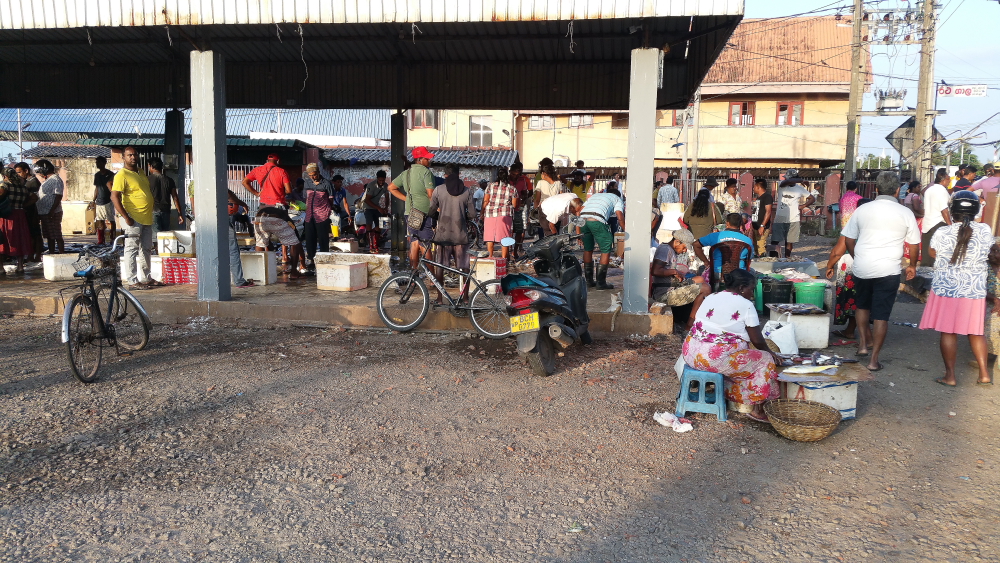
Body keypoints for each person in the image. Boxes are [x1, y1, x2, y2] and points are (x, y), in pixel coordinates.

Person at [841, 171, 919, 371]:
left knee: (862, 306)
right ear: (897, 190)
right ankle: (874, 360)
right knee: (881, 315)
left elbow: (849, 239)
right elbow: (914, 243)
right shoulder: (905, 213)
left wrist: (857, 256)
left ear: (876, 189)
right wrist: (912, 265)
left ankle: (862, 345)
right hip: (889, 269)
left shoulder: (863, 209)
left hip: (863, 267)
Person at [681, 268, 781, 423]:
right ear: (741, 288)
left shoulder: (712, 296)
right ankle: (758, 409)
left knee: (742, 351)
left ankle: (719, 391)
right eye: (752, 289)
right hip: (711, 360)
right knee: (765, 359)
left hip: (690, 354)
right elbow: (758, 340)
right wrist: (771, 353)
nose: (753, 294)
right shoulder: (746, 305)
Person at [919, 191, 994, 386]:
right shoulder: (985, 230)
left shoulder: (942, 232)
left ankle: (950, 376)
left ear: (952, 211)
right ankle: (984, 374)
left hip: (947, 289)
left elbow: (932, 252)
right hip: (974, 290)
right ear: (976, 210)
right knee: (976, 332)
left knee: (948, 332)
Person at [111, 146, 160, 290]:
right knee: (131, 249)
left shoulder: (140, 171)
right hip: (133, 217)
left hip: (146, 217)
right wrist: (126, 217)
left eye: (135, 155)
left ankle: (146, 278)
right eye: (129, 155)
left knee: (146, 248)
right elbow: (114, 196)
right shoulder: (121, 175)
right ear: (123, 157)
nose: (133, 157)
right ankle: (132, 280)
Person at [428, 163, 475, 304]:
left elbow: (431, 211)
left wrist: (438, 217)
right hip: (461, 236)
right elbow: (472, 214)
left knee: (440, 267)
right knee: (464, 268)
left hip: (443, 236)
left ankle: (440, 298)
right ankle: (465, 299)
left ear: (445, 175)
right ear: (459, 174)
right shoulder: (467, 191)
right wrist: (463, 217)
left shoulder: (438, 190)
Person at [650, 229, 711, 327]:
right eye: (684, 247)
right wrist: (674, 272)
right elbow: (655, 271)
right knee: (706, 288)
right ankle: (689, 326)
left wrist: (678, 275)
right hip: (664, 294)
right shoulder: (665, 250)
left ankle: (688, 317)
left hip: (672, 286)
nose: (685, 250)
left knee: (700, 279)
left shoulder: (670, 250)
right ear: (677, 242)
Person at [388, 146, 436, 268]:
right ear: (420, 159)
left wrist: (407, 199)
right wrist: (438, 209)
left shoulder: (406, 173)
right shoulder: (426, 172)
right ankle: (431, 275)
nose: (429, 160)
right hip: (424, 213)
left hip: (409, 212)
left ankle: (413, 274)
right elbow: (431, 195)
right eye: (427, 158)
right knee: (425, 245)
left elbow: (391, 187)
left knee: (414, 242)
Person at [692, 213, 753, 289]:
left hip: (717, 273)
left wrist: (705, 261)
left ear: (727, 223)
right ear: (741, 224)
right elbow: (749, 260)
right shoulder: (748, 240)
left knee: (701, 269)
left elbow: (695, 245)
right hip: (739, 275)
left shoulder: (715, 236)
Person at [254, 205, 305, 279]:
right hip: (275, 218)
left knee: (260, 244)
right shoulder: (289, 221)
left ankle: (260, 273)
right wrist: (303, 263)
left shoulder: (278, 212)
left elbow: (263, 243)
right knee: (295, 243)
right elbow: (297, 243)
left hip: (259, 218)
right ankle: (294, 273)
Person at [771, 171, 815, 258]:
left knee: (789, 241)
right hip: (780, 218)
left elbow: (812, 198)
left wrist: (803, 206)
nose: (785, 179)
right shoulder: (782, 184)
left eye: (787, 177)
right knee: (775, 241)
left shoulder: (800, 189)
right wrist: (801, 180)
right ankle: (773, 260)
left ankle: (787, 259)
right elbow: (788, 181)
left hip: (794, 218)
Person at [0, 167, 32, 275]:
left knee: (3, 239)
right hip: (20, 215)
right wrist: (23, 205)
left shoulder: (4, 185)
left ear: (5, 176)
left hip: (7, 215)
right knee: (20, 239)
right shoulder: (22, 187)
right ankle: (20, 266)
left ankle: (1, 268)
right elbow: (34, 198)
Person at [481, 167, 518, 259]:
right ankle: (504, 259)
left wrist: (482, 212)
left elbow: (486, 201)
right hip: (505, 215)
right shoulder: (512, 188)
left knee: (490, 238)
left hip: (490, 214)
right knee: (505, 238)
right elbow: (514, 204)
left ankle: (490, 257)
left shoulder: (490, 186)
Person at [302, 163, 335, 261]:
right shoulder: (307, 183)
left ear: (318, 172)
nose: (313, 177)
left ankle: (324, 259)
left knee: (323, 239)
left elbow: (331, 199)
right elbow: (305, 198)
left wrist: (327, 210)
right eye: (310, 175)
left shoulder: (327, 183)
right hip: (309, 216)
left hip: (322, 215)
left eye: (314, 175)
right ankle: (311, 259)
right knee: (309, 239)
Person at [920, 168, 952, 267]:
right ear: (944, 180)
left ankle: (925, 271)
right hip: (939, 223)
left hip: (927, 223)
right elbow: (944, 210)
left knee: (927, 251)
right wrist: (950, 225)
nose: (949, 182)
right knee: (937, 253)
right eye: (948, 179)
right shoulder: (941, 190)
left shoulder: (929, 190)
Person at [33, 159, 65, 255]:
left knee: (56, 234)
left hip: (52, 212)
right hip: (44, 212)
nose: (39, 175)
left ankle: (61, 253)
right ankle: (52, 253)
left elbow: (58, 196)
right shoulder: (48, 180)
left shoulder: (56, 180)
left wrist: (52, 210)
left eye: (39, 172)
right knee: (49, 236)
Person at [225, 189, 255, 288]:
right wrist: (243, 204)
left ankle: (215, 279)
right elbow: (230, 195)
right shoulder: (217, 184)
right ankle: (239, 281)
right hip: (223, 219)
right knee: (233, 251)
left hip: (207, 221)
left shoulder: (199, 188)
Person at [13, 162, 43, 262]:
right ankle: (31, 255)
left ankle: (36, 255)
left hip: (33, 212)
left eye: (19, 172)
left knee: (35, 234)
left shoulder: (32, 182)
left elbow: (34, 199)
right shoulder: (26, 182)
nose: (18, 175)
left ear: (26, 171)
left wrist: (23, 206)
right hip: (29, 212)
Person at [147, 156, 183, 236]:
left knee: (156, 237)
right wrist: (179, 214)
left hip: (153, 211)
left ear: (151, 166)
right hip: (166, 211)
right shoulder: (169, 180)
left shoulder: (147, 180)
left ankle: (157, 245)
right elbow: (175, 198)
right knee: (166, 236)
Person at [359, 170, 390, 253]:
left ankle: (376, 245)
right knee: (369, 224)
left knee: (379, 225)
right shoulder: (371, 185)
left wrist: (386, 207)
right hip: (367, 207)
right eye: (380, 180)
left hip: (376, 207)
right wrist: (379, 208)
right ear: (377, 179)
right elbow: (367, 200)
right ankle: (371, 246)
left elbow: (387, 197)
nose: (381, 182)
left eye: (383, 180)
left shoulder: (386, 186)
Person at [508, 163, 533, 258]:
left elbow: (526, 193)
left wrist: (523, 199)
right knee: (508, 231)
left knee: (519, 230)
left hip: (518, 209)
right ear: (510, 172)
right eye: (513, 174)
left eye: (517, 174)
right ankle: (508, 249)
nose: (515, 176)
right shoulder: (506, 180)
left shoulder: (523, 180)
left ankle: (515, 250)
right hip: (507, 210)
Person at [533, 164, 563, 236]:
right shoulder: (558, 183)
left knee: (545, 231)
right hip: (556, 210)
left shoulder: (540, 183)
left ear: (545, 174)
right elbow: (561, 197)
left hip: (544, 209)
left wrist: (535, 210)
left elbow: (537, 199)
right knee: (556, 230)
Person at [92, 156, 116, 245]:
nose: (97, 164)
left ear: (104, 163)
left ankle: (112, 239)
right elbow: (97, 188)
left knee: (111, 220)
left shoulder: (111, 174)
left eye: (99, 162)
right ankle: (101, 240)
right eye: (96, 162)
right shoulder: (97, 175)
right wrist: (93, 200)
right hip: (99, 201)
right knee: (100, 220)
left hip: (109, 201)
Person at [750, 178, 773, 257]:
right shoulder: (759, 198)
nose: (753, 188)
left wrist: (762, 226)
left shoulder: (767, 197)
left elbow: (768, 212)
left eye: (754, 186)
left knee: (761, 247)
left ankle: (763, 262)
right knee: (756, 248)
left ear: (758, 187)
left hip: (762, 227)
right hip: (755, 226)